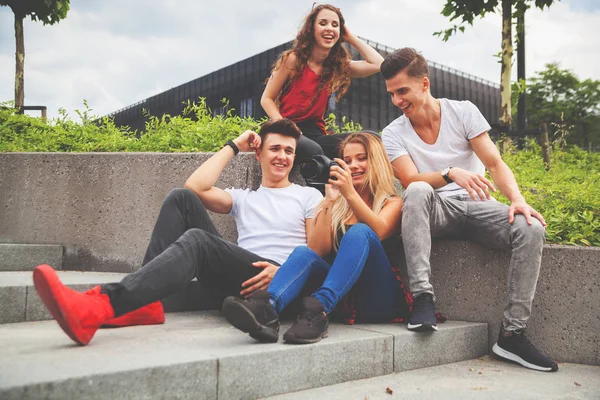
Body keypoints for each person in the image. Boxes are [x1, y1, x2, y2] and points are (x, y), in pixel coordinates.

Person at [32, 118, 323, 346]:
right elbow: (195, 187)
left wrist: (284, 272)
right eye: (275, 148)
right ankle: (143, 305)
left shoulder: (308, 197)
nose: (282, 157)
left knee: (198, 242)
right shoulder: (244, 198)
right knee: (180, 198)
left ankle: (103, 305)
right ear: (258, 153)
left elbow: (316, 252)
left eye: (289, 151)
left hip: (277, 284)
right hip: (239, 277)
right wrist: (234, 146)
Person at [379, 48, 558, 372]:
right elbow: (408, 178)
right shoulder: (393, 133)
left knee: (531, 228)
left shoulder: (462, 112)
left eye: (402, 91)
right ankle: (423, 300)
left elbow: (494, 163)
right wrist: (450, 173)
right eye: (391, 94)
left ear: (424, 83)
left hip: (478, 205)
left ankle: (512, 335)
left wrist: (517, 200)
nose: (396, 101)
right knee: (417, 190)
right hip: (435, 208)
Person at [222, 132, 411, 344]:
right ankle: (267, 309)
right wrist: (330, 203)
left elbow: (379, 231)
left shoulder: (392, 202)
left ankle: (318, 310)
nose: (354, 166)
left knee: (360, 232)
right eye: (347, 161)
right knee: (303, 253)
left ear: (376, 161)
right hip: (342, 299)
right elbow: (317, 250)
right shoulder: (339, 204)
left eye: (362, 158)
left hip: (377, 297)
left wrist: (350, 194)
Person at [261, 3, 384, 161]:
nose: (329, 28)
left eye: (335, 25)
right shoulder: (293, 59)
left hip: (316, 136)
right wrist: (285, 127)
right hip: (284, 130)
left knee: (372, 139)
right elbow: (266, 99)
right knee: (314, 150)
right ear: (311, 29)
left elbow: (378, 64)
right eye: (323, 23)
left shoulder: (335, 66)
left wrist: (351, 37)